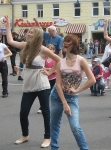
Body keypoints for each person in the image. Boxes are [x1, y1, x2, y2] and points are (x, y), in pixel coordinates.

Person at [4, 16, 61, 148]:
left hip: (42, 84)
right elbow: (10, 41)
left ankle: (47, 137)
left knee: (46, 112)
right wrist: (8, 25)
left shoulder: (43, 49)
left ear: (37, 36)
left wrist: (50, 71)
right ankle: (25, 135)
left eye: (32, 32)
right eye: (29, 31)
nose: (29, 33)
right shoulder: (24, 45)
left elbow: (59, 60)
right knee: (23, 112)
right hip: (28, 84)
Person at [50, 34, 95, 150]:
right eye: (64, 41)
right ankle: (54, 147)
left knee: (75, 126)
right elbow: (58, 85)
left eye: (68, 42)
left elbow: (92, 80)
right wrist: (64, 103)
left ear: (74, 45)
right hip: (57, 96)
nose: (64, 44)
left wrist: (77, 90)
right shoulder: (60, 62)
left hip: (72, 98)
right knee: (54, 124)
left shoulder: (81, 61)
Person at [37, 44, 57, 114]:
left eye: (51, 49)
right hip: (45, 78)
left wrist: (48, 69)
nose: (50, 50)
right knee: (45, 94)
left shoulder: (55, 59)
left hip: (54, 79)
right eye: (48, 48)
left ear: (54, 50)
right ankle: (42, 107)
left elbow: (56, 70)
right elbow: (41, 68)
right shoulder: (44, 59)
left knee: (53, 94)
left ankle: (57, 106)